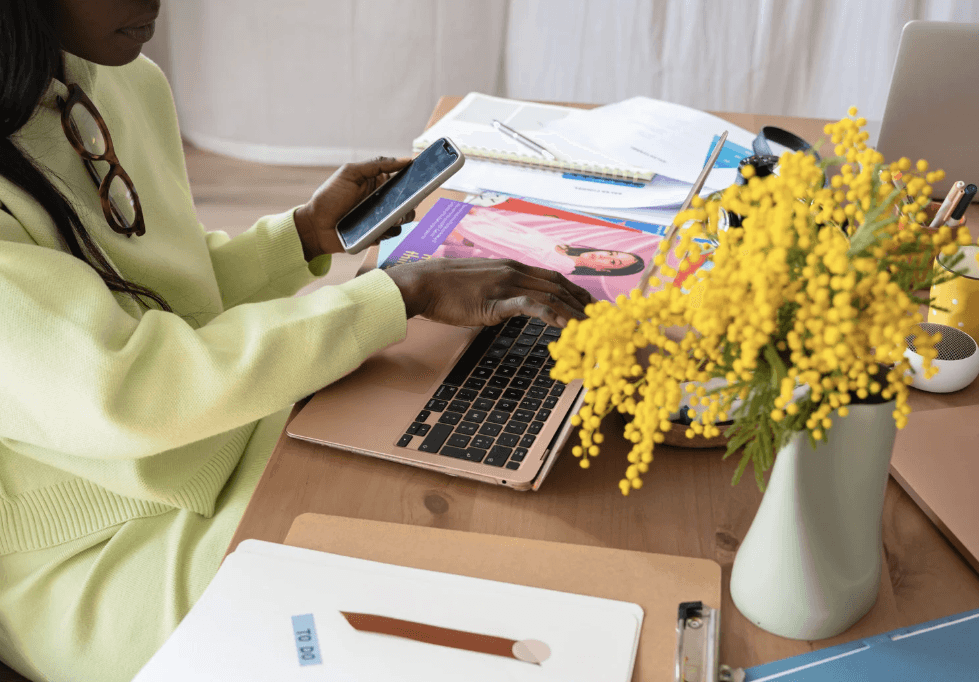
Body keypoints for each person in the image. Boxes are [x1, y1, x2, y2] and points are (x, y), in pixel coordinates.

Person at [0, 2, 595, 680]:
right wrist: (398, 293)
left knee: (477, 474)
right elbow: (128, 388)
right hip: (97, 549)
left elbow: (157, 300)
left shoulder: (123, 80)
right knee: (438, 570)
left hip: (214, 438)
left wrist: (301, 236)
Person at [440, 207, 646, 277]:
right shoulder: (564, 247)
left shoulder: (559, 266)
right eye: (612, 253)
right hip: (478, 225)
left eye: (612, 262)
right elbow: (518, 230)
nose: (605, 256)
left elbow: (506, 247)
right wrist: (485, 215)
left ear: (605, 271)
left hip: (474, 236)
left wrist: (470, 235)